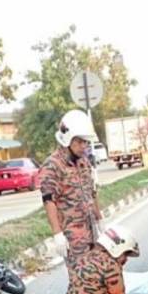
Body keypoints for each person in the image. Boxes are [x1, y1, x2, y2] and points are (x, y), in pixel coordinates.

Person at [39, 110, 104, 266]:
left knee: (97, 275)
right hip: (73, 236)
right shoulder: (52, 165)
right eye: (80, 142)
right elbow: (49, 200)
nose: (84, 146)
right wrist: (57, 233)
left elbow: (92, 192)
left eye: (86, 142)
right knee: (82, 280)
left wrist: (99, 219)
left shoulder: (84, 162)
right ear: (68, 139)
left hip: (91, 230)